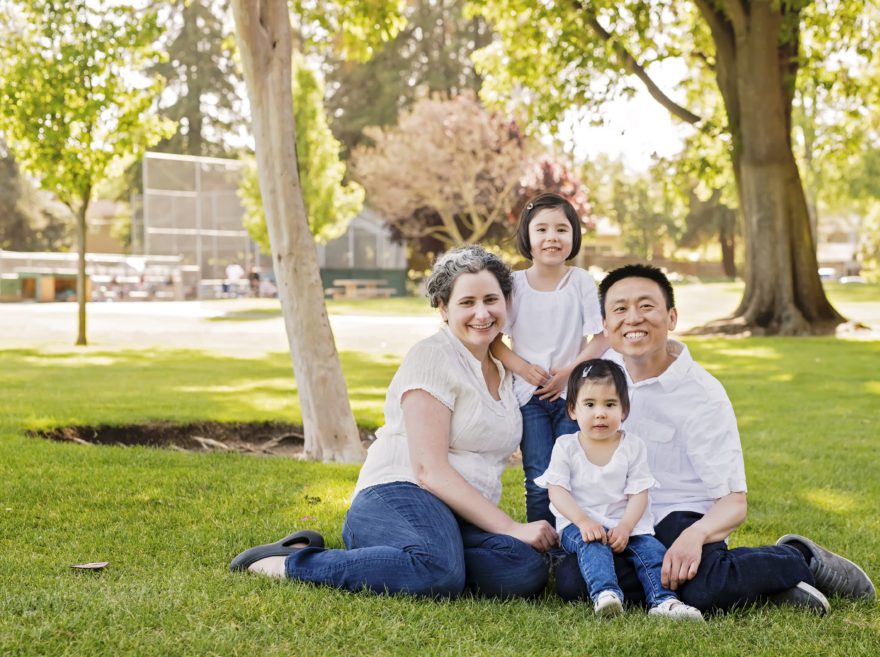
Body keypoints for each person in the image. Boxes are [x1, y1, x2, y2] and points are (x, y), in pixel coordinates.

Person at [230, 245, 557, 599]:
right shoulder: (432, 357)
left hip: (459, 516)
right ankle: (290, 562)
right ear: (444, 308)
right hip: (398, 494)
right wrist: (510, 527)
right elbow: (428, 470)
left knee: (524, 569)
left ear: (507, 303)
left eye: (491, 299)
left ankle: (416, 561)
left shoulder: (507, 373)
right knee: (440, 572)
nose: (482, 313)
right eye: (467, 302)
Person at [555, 264, 876, 616]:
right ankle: (761, 586)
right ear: (605, 324)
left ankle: (800, 558)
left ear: (672, 316)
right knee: (574, 581)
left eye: (646, 306)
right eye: (619, 309)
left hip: (683, 514)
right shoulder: (600, 377)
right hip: (624, 521)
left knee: (700, 587)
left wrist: (695, 536)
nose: (633, 318)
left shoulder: (702, 394)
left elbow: (733, 502)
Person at [537, 359, 703, 621]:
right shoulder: (566, 446)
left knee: (651, 550)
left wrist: (626, 526)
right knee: (593, 544)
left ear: (624, 410)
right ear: (572, 410)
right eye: (590, 405)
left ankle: (664, 602)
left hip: (625, 524)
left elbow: (639, 493)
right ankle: (606, 595)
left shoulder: (632, 446)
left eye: (610, 404)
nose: (600, 413)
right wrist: (582, 520)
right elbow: (557, 491)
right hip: (577, 525)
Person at [491, 193, 609, 526]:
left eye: (561, 229)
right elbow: (494, 341)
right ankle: (541, 546)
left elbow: (601, 336)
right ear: (527, 236)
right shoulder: (514, 285)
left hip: (572, 397)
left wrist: (571, 372)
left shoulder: (581, 283)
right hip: (530, 399)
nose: (551, 237)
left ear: (573, 236)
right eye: (541, 229)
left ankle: (570, 540)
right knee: (538, 477)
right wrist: (523, 368)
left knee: (573, 475)